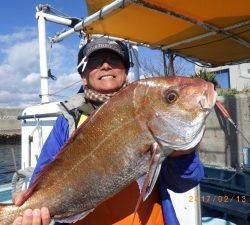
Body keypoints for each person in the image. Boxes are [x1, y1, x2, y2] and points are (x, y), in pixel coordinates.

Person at [12, 37, 204, 225]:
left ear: (125, 72)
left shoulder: (149, 110)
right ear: (83, 77)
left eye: (114, 60)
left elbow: (183, 184)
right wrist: (30, 204)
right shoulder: (67, 121)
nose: (105, 66)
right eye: (95, 62)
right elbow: (42, 175)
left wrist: (182, 153)